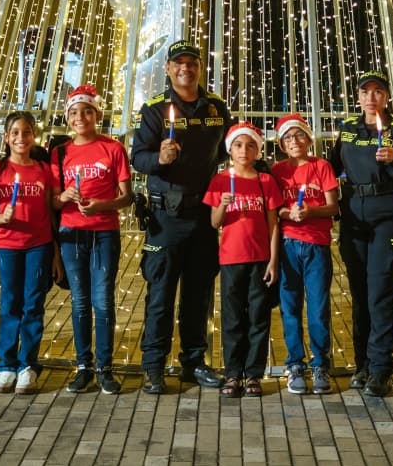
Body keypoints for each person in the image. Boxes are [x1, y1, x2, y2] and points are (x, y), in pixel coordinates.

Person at [130, 40, 231, 395]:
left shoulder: (216, 107)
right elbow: (137, 158)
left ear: (200, 67)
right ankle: (153, 366)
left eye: (192, 62)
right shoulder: (155, 109)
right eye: (179, 63)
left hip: (203, 214)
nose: (185, 68)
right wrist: (158, 159)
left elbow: (225, 151)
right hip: (166, 216)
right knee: (161, 294)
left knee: (198, 293)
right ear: (169, 68)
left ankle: (194, 362)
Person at [328, 68, 393, 397]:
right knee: (360, 293)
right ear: (358, 96)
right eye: (365, 92)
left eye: (377, 91)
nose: (371, 97)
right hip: (353, 216)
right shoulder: (348, 128)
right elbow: (331, 167)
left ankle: (380, 369)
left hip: (387, 215)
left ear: (387, 96)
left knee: (381, 292)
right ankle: (361, 364)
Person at [55, 85, 132, 395]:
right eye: (74, 112)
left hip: (104, 233)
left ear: (97, 115)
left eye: (87, 111)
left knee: (102, 301)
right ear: (67, 117)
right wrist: (64, 196)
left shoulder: (113, 148)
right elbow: (53, 200)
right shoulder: (59, 152)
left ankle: (105, 368)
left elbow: (127, 197)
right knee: (80, 301)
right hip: (71, 234)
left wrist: (102, 205)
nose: (80, 117)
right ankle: (83, 366)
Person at [0, 111, 61, 395]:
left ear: (33, 136)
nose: (21, 138)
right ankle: (6, 365)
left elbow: (51, 212)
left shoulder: (43, 170)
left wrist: (55, 252)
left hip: (38, 245)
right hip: (9, 246)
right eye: (15, 132)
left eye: (26, 132)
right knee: (10, 305)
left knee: (33, 305)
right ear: (6, 137)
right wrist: (2, 218)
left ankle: (28, 365)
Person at [205, 121, 282, 398]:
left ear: (257, 150)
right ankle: (233, 373)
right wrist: (223, 205)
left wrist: (273, 260)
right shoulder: (220, 181)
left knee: (258, 317)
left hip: (260, 259)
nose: (244, 150)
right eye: (238, 145)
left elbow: (273, 224)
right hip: (231, 259)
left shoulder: (265, 182)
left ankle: (254, 373)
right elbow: (214, 223)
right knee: (232, 318)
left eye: (250, 145)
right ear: (230, 149)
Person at [271, 113, 340, 396]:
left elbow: (333, 206)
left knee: (318, 307)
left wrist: (311, 211)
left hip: (316, 244)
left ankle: (320, 363)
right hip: (288, 245)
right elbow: (275, 209)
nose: (294, 141)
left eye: (299, 135)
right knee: (289, 307)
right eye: (288, 137)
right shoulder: (277, 171)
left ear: (309, 139)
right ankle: (295, 364)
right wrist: (289, 213)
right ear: (281, 144)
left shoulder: (321, 166)